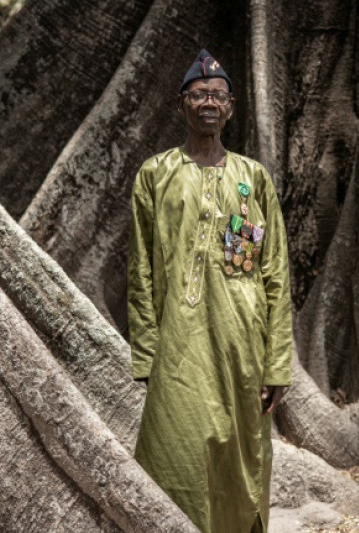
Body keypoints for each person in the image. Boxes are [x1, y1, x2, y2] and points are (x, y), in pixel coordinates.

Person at [127, 49, 293, 533]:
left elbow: (275, 274)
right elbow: (140, 271)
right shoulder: (155, 175)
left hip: (241, 348)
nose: (208, 102)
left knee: (238, 464)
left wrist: (277, 362)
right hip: (177, 351)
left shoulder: (253, 179)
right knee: (170, 454)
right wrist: (146, 353)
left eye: (217, 96)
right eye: (198, 94)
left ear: (231, 108)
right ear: (182, 104)